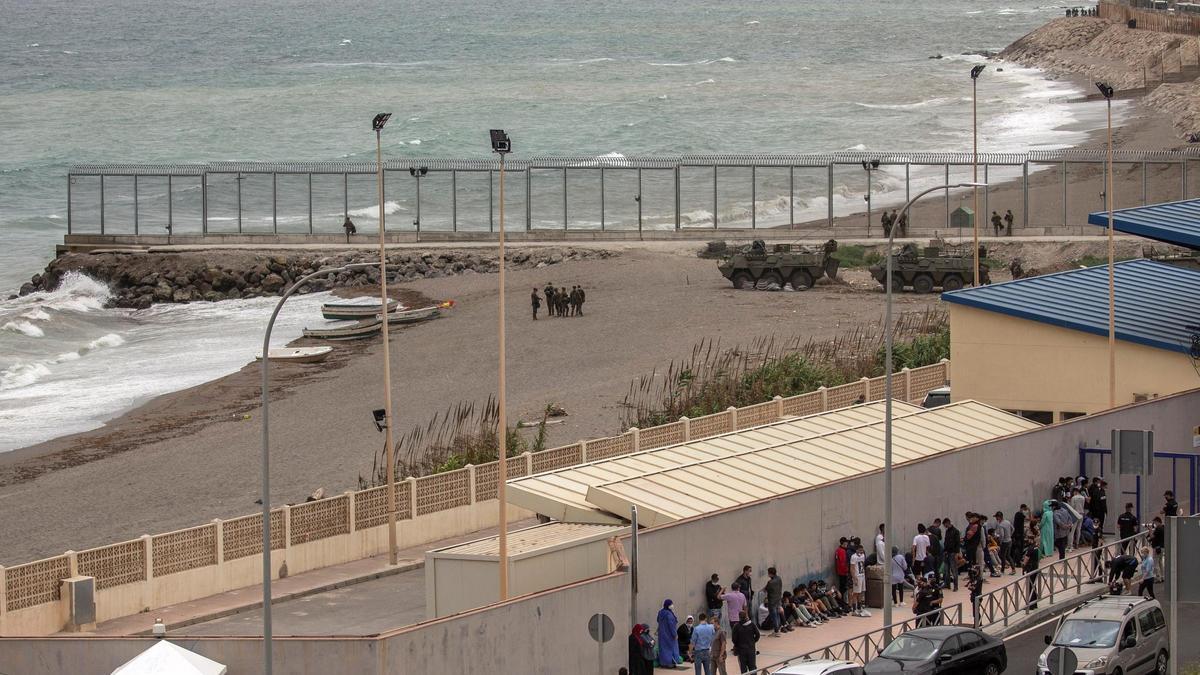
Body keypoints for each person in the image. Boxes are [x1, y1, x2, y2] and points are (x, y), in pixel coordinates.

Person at [731, 609, 759, 674]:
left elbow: (734, 639)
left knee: (743, 669)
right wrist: (753, 641)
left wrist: (737, 644)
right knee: (752, 667)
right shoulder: (751, 624)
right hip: (751, 649)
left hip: (741, 650)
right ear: (746, 616)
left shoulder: (736, 626)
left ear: (739, 617)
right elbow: (758, 635)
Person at [657, 599, 681, 668]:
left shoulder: (661, 612)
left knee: (663, 649)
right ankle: (670, 663)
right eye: (671, 604)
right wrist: (675, 634)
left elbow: (658, 620)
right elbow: (671, 625)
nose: (672, 605)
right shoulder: (669, 614)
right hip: (669, 635)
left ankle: (663, 663)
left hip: (662, 635)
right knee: (671, 649)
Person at [1021, 534, 1041, 609]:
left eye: (1028, 539)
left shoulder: (1030, 548)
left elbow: (1026, 560)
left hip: (1030, 569)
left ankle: (1030, 605)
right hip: (1036, 568)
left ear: (1031, 539)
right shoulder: (1036, 547)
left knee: (1030, 587)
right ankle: (1034, 604)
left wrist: (1023, 564)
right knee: (1034, 586)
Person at [942, 516, 961, 591]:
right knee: (946, 570)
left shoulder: (956, 531)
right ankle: (947, 584)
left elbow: (957, 543)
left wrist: (957, 553)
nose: (945, 526)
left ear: (948, 523)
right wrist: (945, 550)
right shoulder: (947, 531)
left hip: (953, 553)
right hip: (947, 552)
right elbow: (946, 542)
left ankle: (956, 586)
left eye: (945, 525)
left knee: (954, 570)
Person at [764, 566, 783, 637]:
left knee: (774, 616)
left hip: (772, 601)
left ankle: (776, 631)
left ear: (770, 573)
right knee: (777, 615)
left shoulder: (770, 582)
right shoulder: (779, 579)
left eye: (768, 573)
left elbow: (766, 589)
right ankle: (778, 629)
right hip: (778, 600)